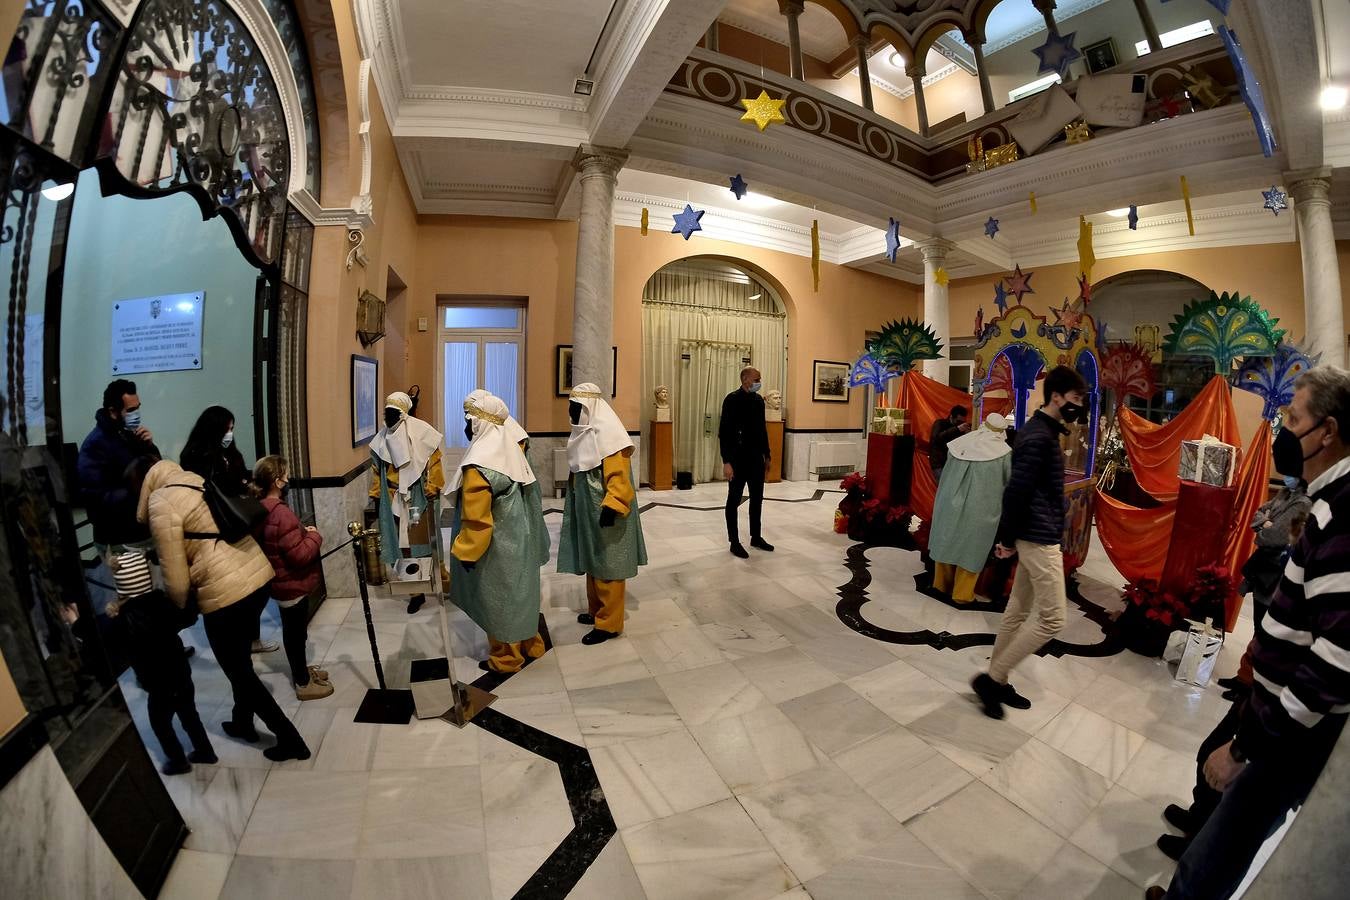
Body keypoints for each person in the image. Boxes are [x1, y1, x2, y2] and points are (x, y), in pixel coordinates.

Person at [1146, 366, 1350, 900]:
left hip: (1290, 731)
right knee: (1223, 838)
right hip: (1276, 709)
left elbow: (1338, 658)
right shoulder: (1325, 497)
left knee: (1221, 850)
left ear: (1326, 431)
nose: (1284, 429)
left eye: (1293, 418)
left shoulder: (1342, 514)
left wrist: (1246, 746)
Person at [138, 458, 310, 762]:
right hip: (256, 576)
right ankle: (242, 722)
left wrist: (179, 608)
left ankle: (290, 738)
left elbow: (175, 577)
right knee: (240, 660)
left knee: (239, 672)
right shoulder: (195, 478)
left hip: (225, 592)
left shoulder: (161, 501)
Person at [971, 365, 1088, 719]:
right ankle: (991, 678)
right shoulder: (1038, 437)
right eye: (1076, 398)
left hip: (1036, 532)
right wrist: (1007, 538)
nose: (1079, 405)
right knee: (1052, 618)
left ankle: (999, 679)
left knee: (1018, 610)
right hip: (1038, 536)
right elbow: (1016, 492)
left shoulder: (1043, 433)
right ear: (1056, 397)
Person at [447, 391, 550, 673]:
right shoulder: (511, 453)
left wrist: (466, 552)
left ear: (478, 423)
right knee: (522, 595)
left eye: (467, 420)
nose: (465, 426)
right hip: (521, 539)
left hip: (498, 546)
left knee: (500, 600)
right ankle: (532, 644)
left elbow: (477, 521)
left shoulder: (480, 465)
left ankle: (506, 658)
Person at [107, 542, 215, 775]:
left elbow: (110, 642)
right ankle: (205, 751)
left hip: (158, 684)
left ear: (122, 588)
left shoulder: (124, 619)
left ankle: (178, 761)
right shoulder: (163, 602)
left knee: (160, 723)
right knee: (190, 715)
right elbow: (189, 617)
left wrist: (112, 613)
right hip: (180, 674)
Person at [558, 382, 647, 645]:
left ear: (589, 409)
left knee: (608, 564)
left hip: (607, 512)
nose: (571, 413)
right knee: (593, 561)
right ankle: (596, 610)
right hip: (588, 511)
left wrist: (613, 506)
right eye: (570, 407)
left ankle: (609, 624)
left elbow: (619, 479)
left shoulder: (610, 438)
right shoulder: (584, 435)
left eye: (576, 408)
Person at [181, 406, 275, 654]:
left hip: (240, 524)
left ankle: (250, 637)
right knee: (233, 590)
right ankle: (241, 642)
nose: (230, 434)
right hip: (216, 530)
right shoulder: (196, 456)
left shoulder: (229, 453)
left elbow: (238, 479)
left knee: (259, 585)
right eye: (227, 429)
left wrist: (247, 486)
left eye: (232, 429)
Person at [252, 456, 332, 701]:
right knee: (296, 636)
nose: (288, 477)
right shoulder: (281, 514)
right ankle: (303, 683)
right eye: (285, 474)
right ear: (277, 481)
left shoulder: (260, 507)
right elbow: (299, 556)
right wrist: (315, 536)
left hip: (280, 582)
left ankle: (302, 673)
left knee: (295, 633)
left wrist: (301, 534)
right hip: (291, 583)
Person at [369, 391, 445, 615]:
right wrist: (376, 494)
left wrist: (434, 487)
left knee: (423, 542)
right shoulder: (380, 440)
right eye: (387, 411)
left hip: (418, 498)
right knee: (403, 547)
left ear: (404, 412)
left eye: (394, 412)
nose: (389, 415)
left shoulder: (423, 433)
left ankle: (440, 580)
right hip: (392, 498)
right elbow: (377, 471)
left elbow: (435, 461)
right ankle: (415, 592)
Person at [929, 413, 1013, 603]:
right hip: (981, 507)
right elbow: (1009, 483)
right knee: (971, 549)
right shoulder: (1004, 453)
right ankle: (962, 594)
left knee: (946, 541)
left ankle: (940, 585)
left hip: (949, 502)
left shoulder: (959, 444)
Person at [77, 379, 161, 550]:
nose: (136, 413)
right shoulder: (95, 444)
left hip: (144, 531)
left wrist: (149, 447)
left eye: (138, 407)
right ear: (113, 412)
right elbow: (93, 497)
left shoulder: (130, 434)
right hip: (119, 538)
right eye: (130, 410)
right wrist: (137, 491)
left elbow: (155, 470)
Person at [719, 365, 774, 559]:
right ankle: (734, 541)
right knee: (733, 500)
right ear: (745, 380)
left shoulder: (758, 400)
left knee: (757, 499)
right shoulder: (732, 400)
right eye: (757, 378)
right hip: (737, 459)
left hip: (755, 459)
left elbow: (762, 430)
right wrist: (726, 461)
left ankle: (756, 537)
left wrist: (767, 455)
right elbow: (723, 433)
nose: (759, 382)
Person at [928, 404, 970, 482]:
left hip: (951, 464)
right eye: (958, 421)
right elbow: (936, 438)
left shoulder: (959, 429)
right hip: (939, 463)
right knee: (943, 488)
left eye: (962, 422)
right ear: (951, 417)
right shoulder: (940, 423)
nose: (960, 423)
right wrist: (957, 429)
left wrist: (966, 435)